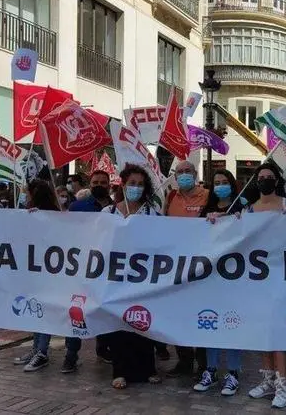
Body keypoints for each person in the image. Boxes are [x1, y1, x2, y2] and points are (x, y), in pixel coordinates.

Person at [102, 164, 161, 389]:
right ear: (123, 185)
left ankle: (148, 369)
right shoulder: (108, 213)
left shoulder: (151, 212)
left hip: (143, 276)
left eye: (140, 184)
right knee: (119, 324)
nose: (135, 188)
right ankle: (120, 371)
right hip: (115, 277)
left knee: (143, 321)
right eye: (131, 184)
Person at [244, 163, 286, 409]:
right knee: (262, 332)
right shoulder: (248, 210)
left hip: (282, 277)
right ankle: (268, 381)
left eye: (269, 177)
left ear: (277, 180)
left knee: (278, 334)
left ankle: (283, 384)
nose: (265, 180)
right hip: (256, 280)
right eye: (261, 177)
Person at [194, 169, 243, 396]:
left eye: (225, 182)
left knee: (233, 324)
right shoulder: (207, 209)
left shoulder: (242, 206)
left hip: (237, 276)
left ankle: (233, 373)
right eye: (217, 182)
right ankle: (210, 370)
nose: (221, 185)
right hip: (212, 276)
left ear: (232, 184)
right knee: (210, 323)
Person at [61, 170, 114, 374]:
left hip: (107, 269)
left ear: (109, 184)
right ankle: (71, 355)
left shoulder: (117, 208)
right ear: (90, 184)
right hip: (82, 268)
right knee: (76, 312)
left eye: (103, 181)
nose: (99, 184)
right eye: (95, 182)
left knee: (104, 310)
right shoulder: (77, 207)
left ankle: (103, 348)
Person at [164, 160, 210, 378]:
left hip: (201, 265)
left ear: (195, 173)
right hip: (175, 266)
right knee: (176, 315)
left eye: (187, 171)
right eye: (179, 172)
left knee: (200, 315)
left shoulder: (207, 195)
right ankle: (184, 361)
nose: (183, 175)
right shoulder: (170, 197)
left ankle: (203, 364)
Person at [13, 179, 59, 372]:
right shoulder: (33, 215)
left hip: (48, 272)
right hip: (34, 271)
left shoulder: (55, 217)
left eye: (27, 192)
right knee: (36, 310)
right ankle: (36, 348)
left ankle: (42, 351)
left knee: (44, 312)